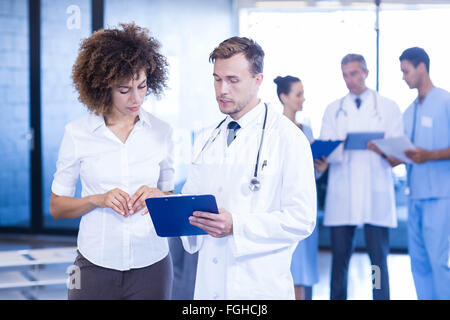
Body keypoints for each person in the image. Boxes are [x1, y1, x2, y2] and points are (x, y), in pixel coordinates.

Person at [180, 37, 317, 300]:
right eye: (217, 79)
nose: (222, 90)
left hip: (259, 287)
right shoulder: (207, 138)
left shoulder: (288, 137)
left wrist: (237, 225)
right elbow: (192, 202)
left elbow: (302, 218)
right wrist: (167, 205)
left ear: (257, 80)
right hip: (210, 286)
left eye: (233, 80)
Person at [49, 23, 174, 300]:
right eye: (124, 89)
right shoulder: (77, 133)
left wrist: (158, 196)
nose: (137, 98)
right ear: (103, 85)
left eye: (142, 86)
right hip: (92, 264)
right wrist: (98, 199)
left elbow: (170, 196)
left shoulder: (162, 131)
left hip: (152, 263)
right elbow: (57, 208)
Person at [317, 53, 404, 300]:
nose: (349, 80)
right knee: (340, 259)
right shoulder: (334, 109)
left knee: (377, 261)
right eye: (345, 75)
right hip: (342, 193)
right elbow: (326, 148)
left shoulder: (388, 107)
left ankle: (380, 297)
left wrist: (380, 147)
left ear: (366, 72)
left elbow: (397, 147)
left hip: (375, 191)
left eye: (354, 73)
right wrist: (340, 146)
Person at [399, 47, 450, 300]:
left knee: (439, 261)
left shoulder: (445, 102)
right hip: (415, 195)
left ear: (422, 68)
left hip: (440, 195)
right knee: (418, 262)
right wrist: (389, 154)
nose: (403, 77)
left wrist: (430, 155)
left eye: (406, 71)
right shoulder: (408, 111)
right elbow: (405, 150)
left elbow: (429, 152)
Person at [273, 75, 321, 300]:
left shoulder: (307, 130)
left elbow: (313, 175)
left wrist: (321, 166)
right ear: (284, 97)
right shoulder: (274, 131)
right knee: (291, 269)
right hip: (283, 206)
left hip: (305, 204)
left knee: (305, 270)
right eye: (298, 94)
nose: (303, 98)